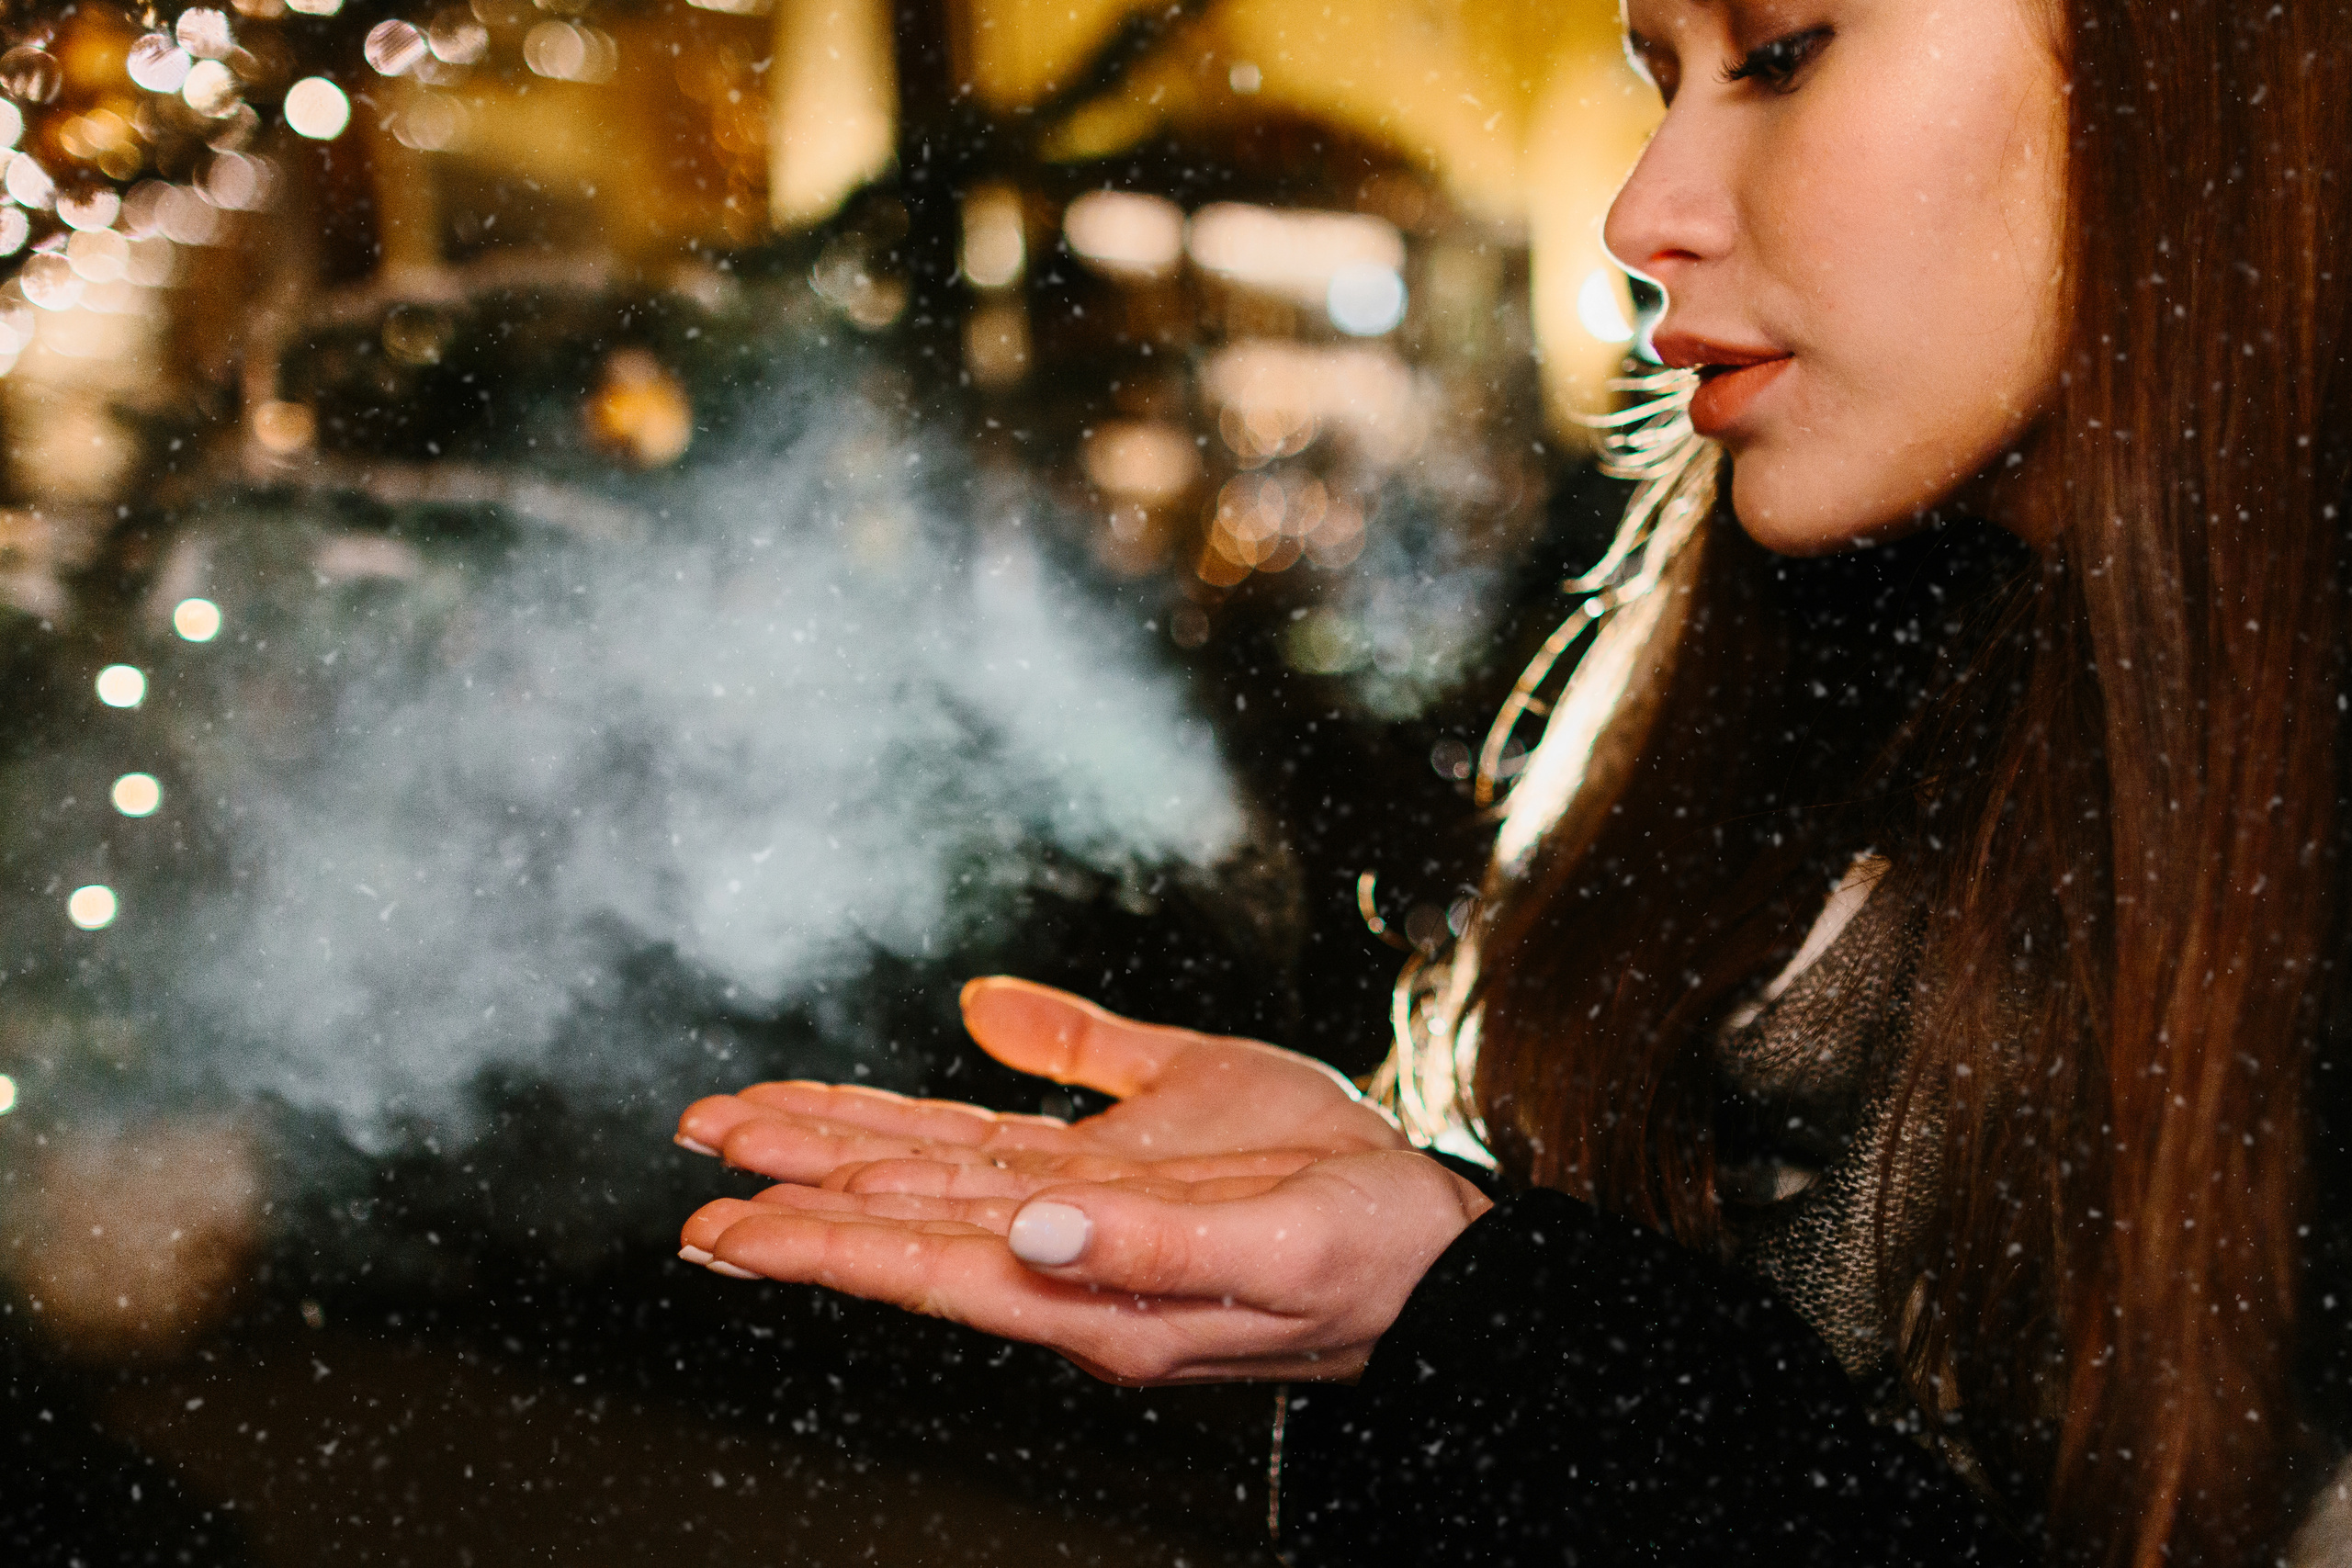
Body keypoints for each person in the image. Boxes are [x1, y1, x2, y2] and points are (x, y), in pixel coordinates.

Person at [672, 0, 2352, 1559]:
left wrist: (1488, 1313)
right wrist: (1429, 1239)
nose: (1638, 215)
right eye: (1659, 81)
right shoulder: (1851, 708)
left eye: (1781, 51)